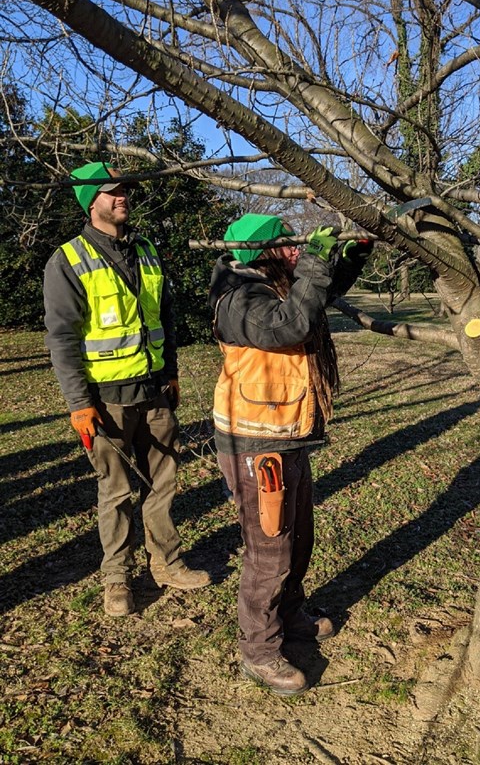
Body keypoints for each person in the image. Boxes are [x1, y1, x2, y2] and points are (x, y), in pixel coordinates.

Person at [209, 213, 371, 696]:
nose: (297, 251)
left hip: (288, 433)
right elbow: (291, 325)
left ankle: (289, 613)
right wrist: (317, 260)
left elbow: (315, 295)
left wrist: (352, 252)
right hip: (256, 444)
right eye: (288, 245)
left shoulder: (276, 282)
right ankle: (259, 651)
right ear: (263, 252)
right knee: (269, 553)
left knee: (299, 540)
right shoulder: (239, 298)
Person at [43, 161, 211, 618]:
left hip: (154, 392)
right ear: (90, 201)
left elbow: (165, 317)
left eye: (125, 191)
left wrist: (171, 371)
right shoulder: (69, 259)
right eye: (113, 192)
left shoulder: (146, 249)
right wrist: (80, 404)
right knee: (115, 493)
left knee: (164, 483)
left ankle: (167, 562)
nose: (123, 197)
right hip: (107, 400)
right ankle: (116, 579)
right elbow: (61, 337)